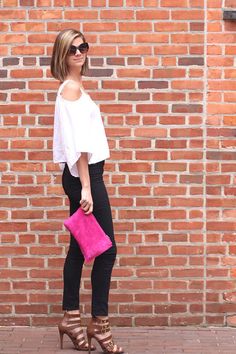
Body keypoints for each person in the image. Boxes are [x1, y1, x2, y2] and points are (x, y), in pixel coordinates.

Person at [50, 28, 123, 354]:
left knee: (79, 250)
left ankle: (71, 318)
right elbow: (79, 146)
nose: (79, 52)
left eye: (83, 46)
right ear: (62, 55)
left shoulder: (73, 88)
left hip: (83, 175)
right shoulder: (72, 90)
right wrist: (86, 188)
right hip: (85, 175)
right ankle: (99, 326)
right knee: (106, 251)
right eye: (72, 49)